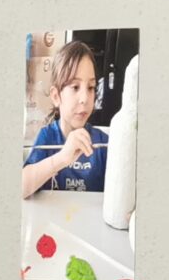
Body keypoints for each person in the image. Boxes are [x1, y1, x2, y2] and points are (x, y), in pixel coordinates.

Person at [22, 39, 109, 196]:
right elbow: (21, 187)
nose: (85, 98)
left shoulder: (102, 143)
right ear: (56, 96)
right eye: (75, 87)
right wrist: (62, 158)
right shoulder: (47, 137)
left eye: (91, 87)